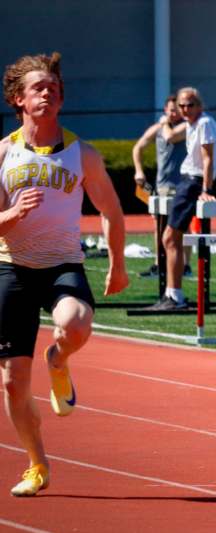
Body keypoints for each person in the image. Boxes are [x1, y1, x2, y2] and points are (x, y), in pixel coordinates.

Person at [0, 52, 129, 496]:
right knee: (12, 382)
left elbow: (111, 209)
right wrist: (12, 213)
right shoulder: (3, 153)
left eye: (54, 87)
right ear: (19, 98)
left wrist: (117, 263)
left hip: (61, 264)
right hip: (12, 266)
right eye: (39, 87)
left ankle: (59, 360)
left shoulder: (82, 154)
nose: (49, 92)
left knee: (75, 322)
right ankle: (37, 465)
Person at [148, 87, 216, 310]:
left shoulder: (204, 123)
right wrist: (163, 121)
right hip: (187, 181)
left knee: (170, 238)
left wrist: (206, 189)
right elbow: (170, 137)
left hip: (193, 182)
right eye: (181, 105)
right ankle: (172, 293)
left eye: (190, 105)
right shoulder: (192, 124)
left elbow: (208, 158)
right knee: (170, 238)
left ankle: (175, 296)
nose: (185, 109)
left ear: (200, 105)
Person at [131, 94, 191, 278]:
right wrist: (139, 170)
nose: (174, 113)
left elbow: (171, 137)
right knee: (159, 225)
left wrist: (164, 123)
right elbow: (138, 147)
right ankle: (159, 264)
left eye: (177, 110)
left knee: (183, 226)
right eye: (171, 110)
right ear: (165, 109)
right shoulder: (157, 129)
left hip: (181, 185)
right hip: (161, 186)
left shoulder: (186, 127)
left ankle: (186, 265)